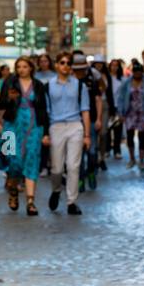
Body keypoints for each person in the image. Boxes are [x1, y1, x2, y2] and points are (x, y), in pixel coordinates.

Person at [0, 56, 50, 215]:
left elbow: (43, 109)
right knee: (12, 160)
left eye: (25, 66)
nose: (21, 70)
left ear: (31, 68)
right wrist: (9, 98)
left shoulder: (38, 85)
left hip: (33, 126)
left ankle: (31, 201)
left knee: (32, 158)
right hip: (11, 126)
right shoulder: (9, 82)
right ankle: (13, 192)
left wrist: (45, 132)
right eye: (18, 67)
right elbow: (1, 105)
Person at [45, 51, 91, 215]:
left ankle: (72, 201)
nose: (65, 66)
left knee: (73, 166)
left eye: (68, 63)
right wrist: (45, 133)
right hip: (56, 126)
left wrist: (87, 135)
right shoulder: (48, 85)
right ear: (56, 65)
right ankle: (56, 189)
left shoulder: (80, 85)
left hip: (75, 126)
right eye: (62, 62)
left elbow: (85, 110)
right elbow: (45, 111)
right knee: (57, 168)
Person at [117, 63, 144, 169]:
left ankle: (141, 160)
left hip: (143, 112)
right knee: (129, 136)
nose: (137, 74)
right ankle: (132, 159)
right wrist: (120, 112)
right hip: (130, 112)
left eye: (139, 72)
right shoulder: (127, 83)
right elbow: (121, 98)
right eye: (135, 72)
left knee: (143, 137)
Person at [72, 52, 104, 190]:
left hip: (90, 120)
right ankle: (80, 178)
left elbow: (98, 99)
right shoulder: (70, 80)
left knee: (92, 151)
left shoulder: (91, 78)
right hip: (74, 120)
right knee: (77, 152)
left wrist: (98, 119)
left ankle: (91, 172)